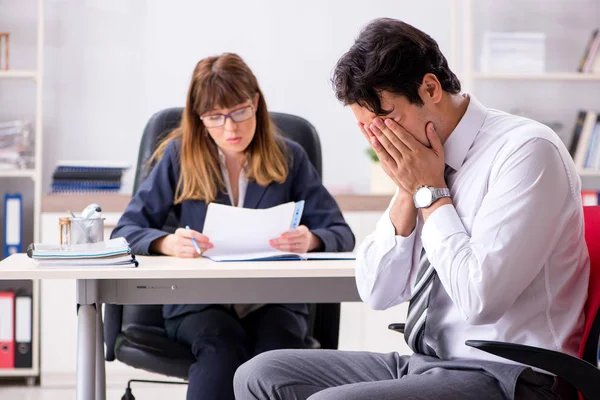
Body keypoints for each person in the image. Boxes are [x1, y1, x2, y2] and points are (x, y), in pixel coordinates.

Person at [233, 18, 588, 400]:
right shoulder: (421, 161)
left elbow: (480, 301)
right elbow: (377, 292)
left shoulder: (526, 151)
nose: (382, 139)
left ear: (430, 88)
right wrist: (408, 191)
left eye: (386, 119)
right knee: (259, 374)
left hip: (511, 374)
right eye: (367, 129)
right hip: (429, 362)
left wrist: (430, 191)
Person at [111, 52, 355, 400]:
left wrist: (311, 239)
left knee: (276, 358)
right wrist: (166, 243)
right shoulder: (180, 156)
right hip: (201, 303)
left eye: (240, 111)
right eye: (215, 117)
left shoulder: (290, 156)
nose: (230, 128)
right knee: (221, 348)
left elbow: (341, 232)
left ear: (256, 102)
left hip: (275, 302)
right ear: (199, 119)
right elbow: (126, 230)